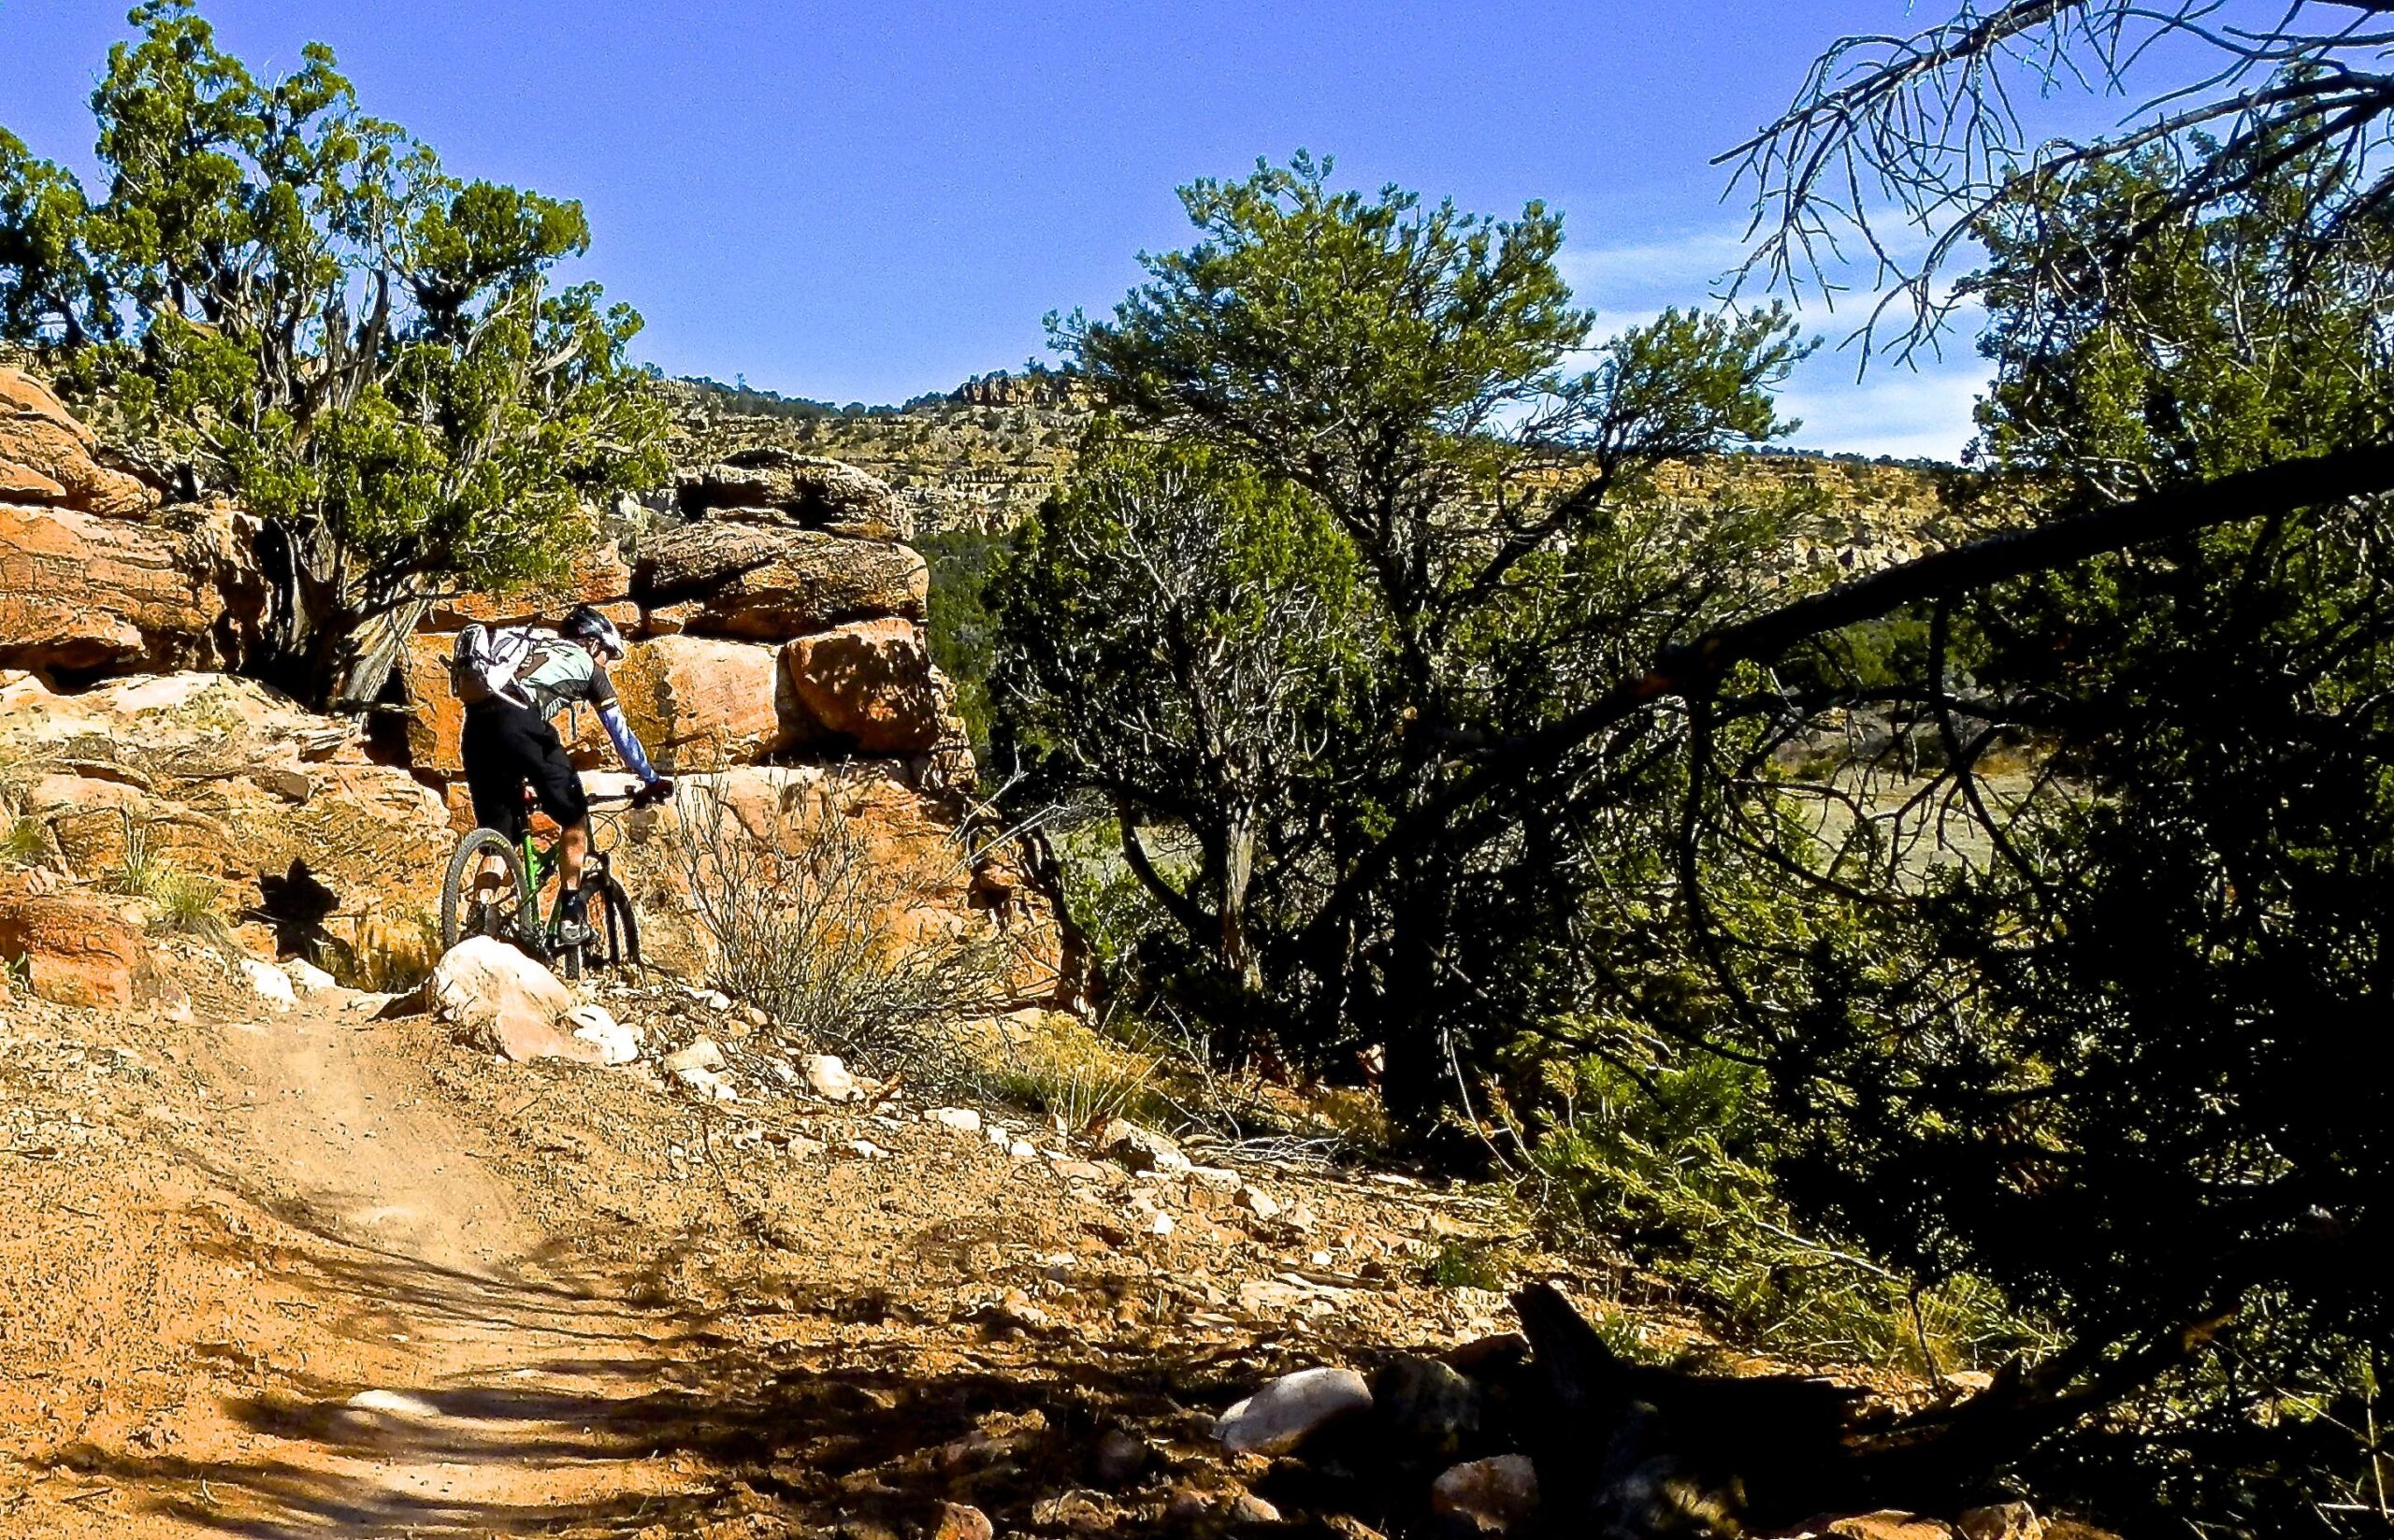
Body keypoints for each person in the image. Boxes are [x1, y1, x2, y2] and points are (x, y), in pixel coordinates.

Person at [459, 605, 672, 943]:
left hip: (475, 730)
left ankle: (477, 917)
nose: (606, 664)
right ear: (592, 643)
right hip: (521, 722)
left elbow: (506, 727)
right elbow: (621, 735)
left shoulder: (528, 647)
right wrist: (650, 778)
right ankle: (571, 914)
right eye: (607, 654)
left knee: (499, 840)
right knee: (575, 817)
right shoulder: (589, 667)